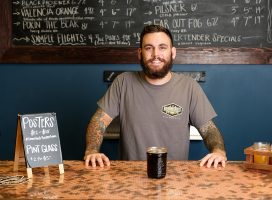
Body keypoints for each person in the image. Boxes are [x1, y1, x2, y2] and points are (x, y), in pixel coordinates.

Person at [84, 25, 227, 169]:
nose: (155, 54)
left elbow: (209, 129)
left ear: (173, 52)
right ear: (140, 53)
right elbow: (98, 121)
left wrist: (218, 151)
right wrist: (92, 150)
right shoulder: (123, 82)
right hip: (130, 175)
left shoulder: (189, 86)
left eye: (162, 47)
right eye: (148, 48)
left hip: (175, 178)